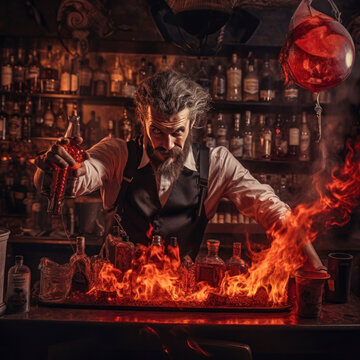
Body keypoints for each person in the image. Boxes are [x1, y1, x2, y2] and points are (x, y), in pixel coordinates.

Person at [34, 70, 325, 270]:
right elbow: (80, 176)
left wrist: (314, 263)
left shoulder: (216, 164)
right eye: (156, 131)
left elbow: (269, 206)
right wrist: (56, 169)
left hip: (179, 297)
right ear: (142, 119)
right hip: (113, 296)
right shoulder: (117, 153)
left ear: (194, 120)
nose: (166, 144)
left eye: (177, 132)